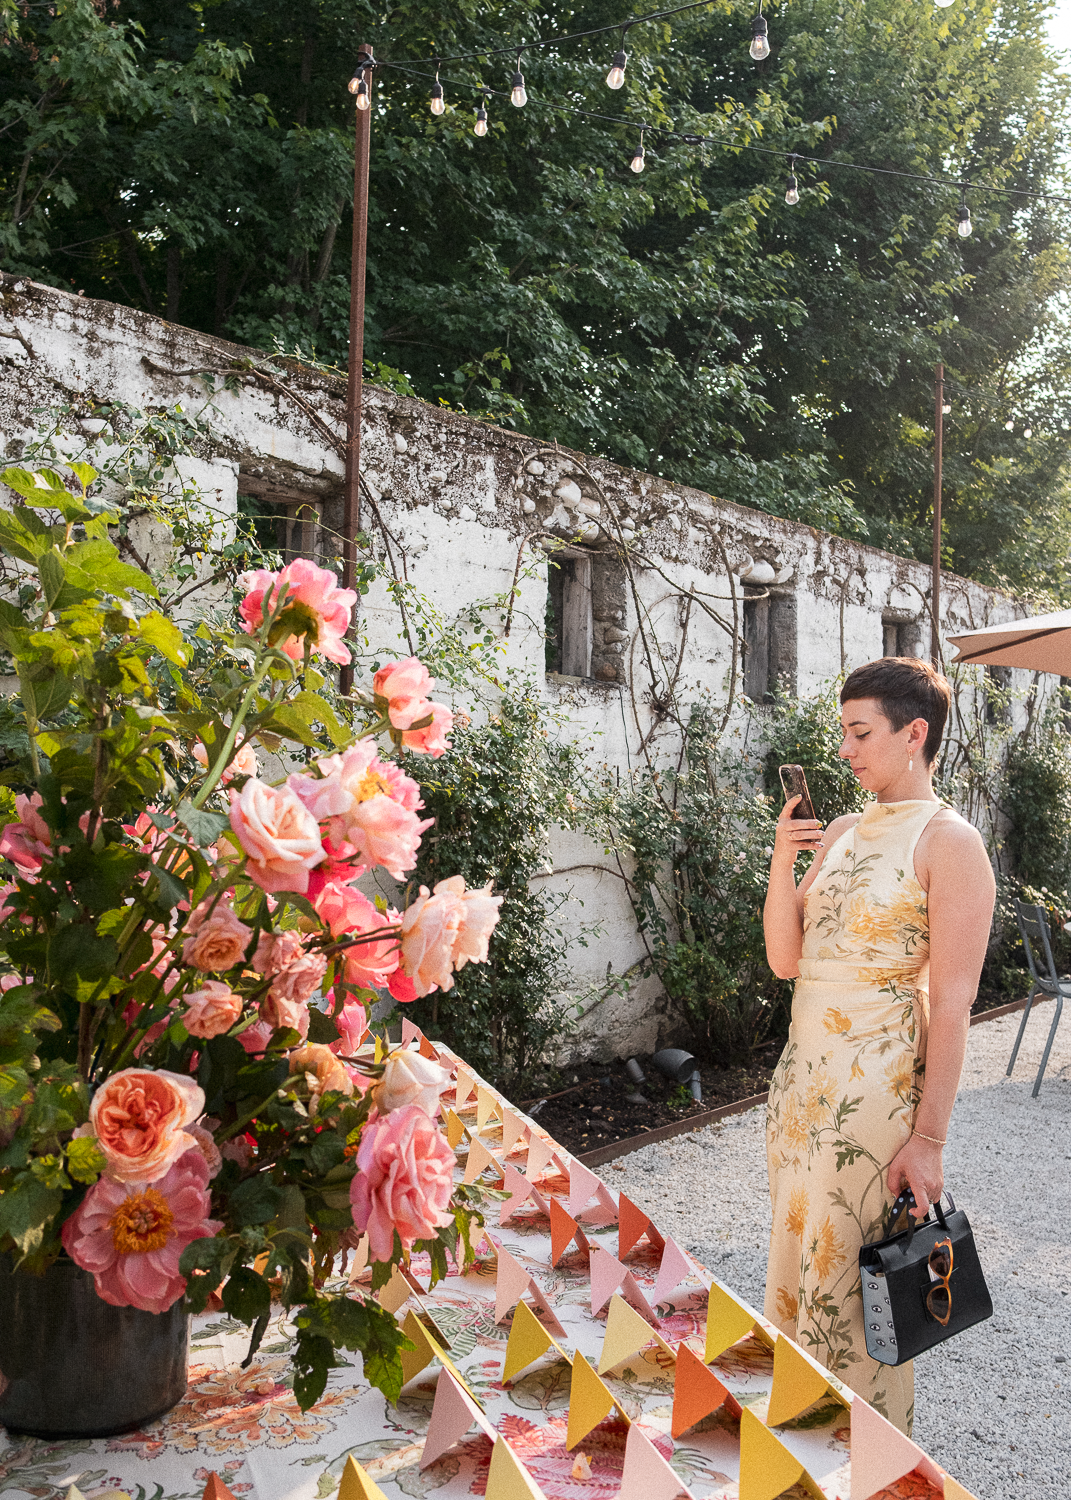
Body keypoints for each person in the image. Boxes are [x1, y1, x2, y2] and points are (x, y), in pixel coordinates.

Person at [762, 658, 995, 1435]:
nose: (846, 751)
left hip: (875, 1095)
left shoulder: (950, 843)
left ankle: (858, 1458)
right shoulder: (838, 830)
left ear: (914, 734)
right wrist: (781, 858)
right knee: (795, 1268)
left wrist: (928, 1139)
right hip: (800, 1088)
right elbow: (786, 961)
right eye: (843, 735)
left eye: (859, 734)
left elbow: (955, 1003)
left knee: (851, 1285)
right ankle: (793, 1444)